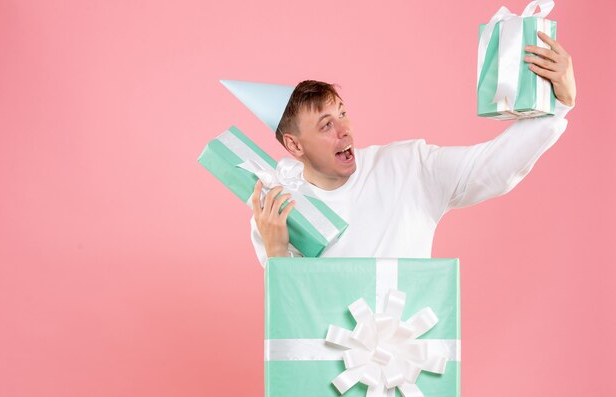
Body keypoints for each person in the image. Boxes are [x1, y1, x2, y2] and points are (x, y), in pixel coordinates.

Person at [247, 31, 576, 267]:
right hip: (325, 364)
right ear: (294, 144)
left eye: (343, 114)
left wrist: (558, 104)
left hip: (413, 357)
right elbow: (295, 318)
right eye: (326, 125)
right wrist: (276, 254)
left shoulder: (408, 166)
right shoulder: (279, 212)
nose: (344, 130)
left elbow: (489, 168)